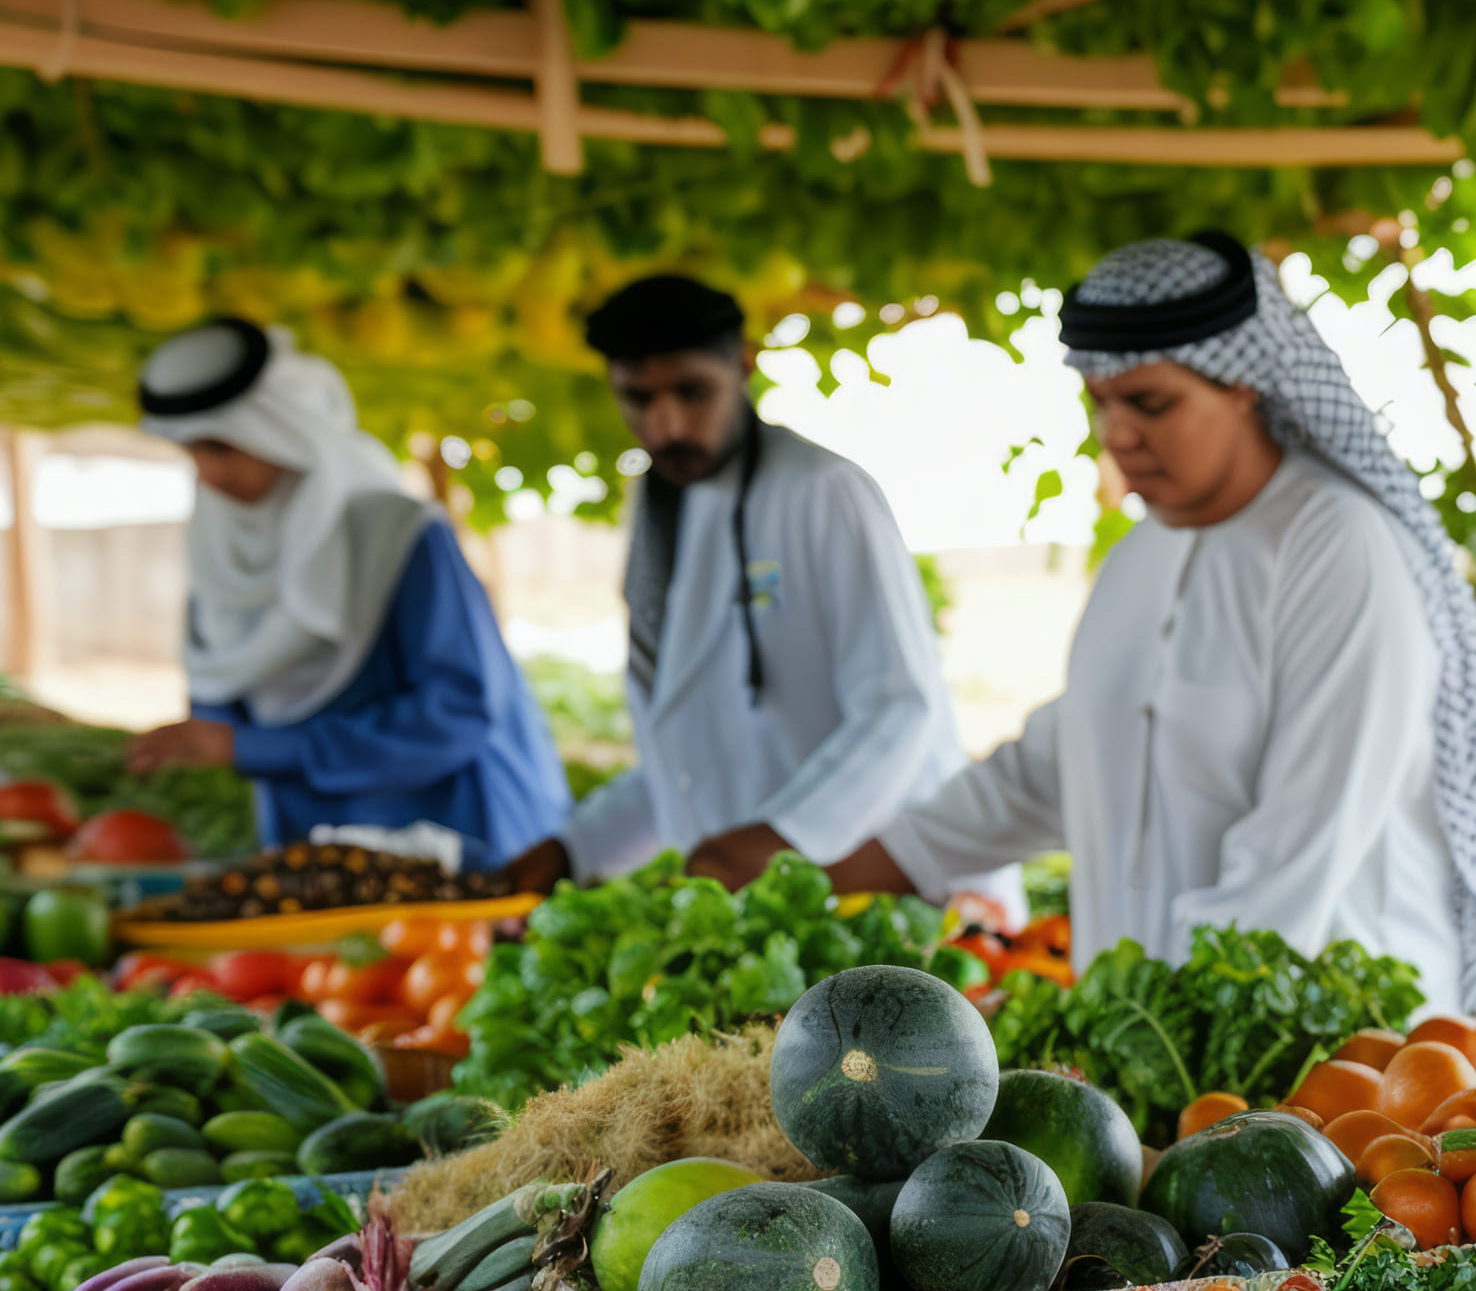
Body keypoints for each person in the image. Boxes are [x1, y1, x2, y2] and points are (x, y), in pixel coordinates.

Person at [828, 232, 1476, 1015]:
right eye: (1100, 402)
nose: (1117, 434)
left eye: (1150, 402)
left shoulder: (1338, 547)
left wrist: (1148, 1034)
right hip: (1163, 1045)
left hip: (1343, 1059)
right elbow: (1057, 769)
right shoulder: (1138, 559)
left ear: (1243, 385)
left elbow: (1295, 852)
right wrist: (832, 871)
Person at [500, 276, 966, 898]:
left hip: (882, 880)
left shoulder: (822, 491)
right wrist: (576, 848)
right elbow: (687, 756)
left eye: (693, 392)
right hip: (756, 901)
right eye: (637, 398)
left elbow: (900, 706)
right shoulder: (652, 504)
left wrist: (782, 834)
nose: (666, 425)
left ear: (744, 364)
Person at [124, 319, 567, 867]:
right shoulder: (217, 551)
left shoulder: (397, 537)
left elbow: (455, 713)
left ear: (283, 435)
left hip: (447, 841)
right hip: (307, 849)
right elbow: (220, 695)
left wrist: (253, 749)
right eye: (192, 451)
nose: (208, 474)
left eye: (221, 447)